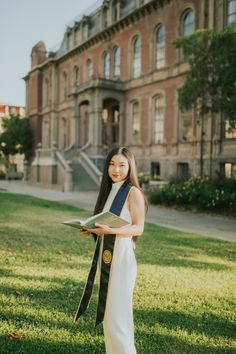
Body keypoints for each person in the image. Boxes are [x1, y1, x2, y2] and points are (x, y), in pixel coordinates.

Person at [78, 146, 146, 354]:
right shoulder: (111, 190)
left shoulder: (132, 192)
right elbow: (108, 225)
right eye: (112, 164)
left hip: (122, 260)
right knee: (109, 316)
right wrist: (94, 230)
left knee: (118, 318)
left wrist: (112, 231)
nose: (116, 169)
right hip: (107, 258)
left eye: (122, 165)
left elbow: (138, 227)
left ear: (130, 167)